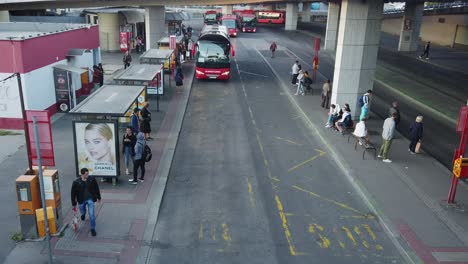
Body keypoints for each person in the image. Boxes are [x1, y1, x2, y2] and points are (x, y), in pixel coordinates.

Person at [71, 168, 101, 237]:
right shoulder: (76, 182)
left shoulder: (92, 179)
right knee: (82, 210)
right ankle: (83, 214)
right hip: (81, 200)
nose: (87, 175)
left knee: (92, 214)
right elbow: (73, 193)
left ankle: (93, 229)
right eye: (86, 174)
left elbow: (96, 188)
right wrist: (74, 204)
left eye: (88, 174)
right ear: (82, 174)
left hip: (90, 199)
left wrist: (99, 197)